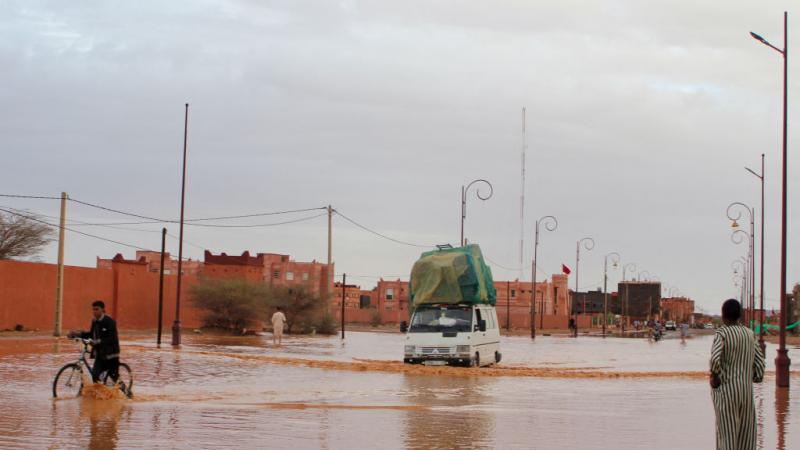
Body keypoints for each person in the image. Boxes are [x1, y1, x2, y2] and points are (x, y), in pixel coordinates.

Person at [709, 299, 765, 450]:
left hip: (726, 392)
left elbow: (715, 360)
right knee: (746, 437)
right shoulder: (750, 334)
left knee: (726, 435)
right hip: (746, 393)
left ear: (723, 315)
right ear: (740, 315)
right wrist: (753, 377)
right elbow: (760, 365)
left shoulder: (722, 333)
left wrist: (714, 379)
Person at [68, 300, 121, 385]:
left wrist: (98, 341)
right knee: (95, 375)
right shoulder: (94, 321)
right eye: (93, 309)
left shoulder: (110, 322)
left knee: (115, 379)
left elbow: (112, 338)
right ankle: (100, 395)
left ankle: (129, 394)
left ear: (103, 310)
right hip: (100, 353)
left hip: (111, 354)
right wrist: (77, 334)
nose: (94, 312)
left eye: (97, 309)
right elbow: (90, 334)